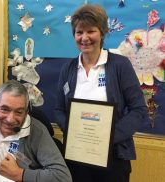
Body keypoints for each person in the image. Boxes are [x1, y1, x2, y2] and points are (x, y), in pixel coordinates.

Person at [54, 4, 147, 182]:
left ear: (102, 32)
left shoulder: (120, 65)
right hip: (76, 154)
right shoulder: (68, 69)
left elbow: (139, 111)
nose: (84, 38)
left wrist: (106, 137)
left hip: (113, 156)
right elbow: (58, 109)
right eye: (79, 32)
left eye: (91, 31)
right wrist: (73, 131)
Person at [0, 80, 72, 182]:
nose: (10, 119)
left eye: (19, 112)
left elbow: (63, 177)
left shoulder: (37, 131)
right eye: (5, 109)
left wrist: (20, 174)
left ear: (26, 112)